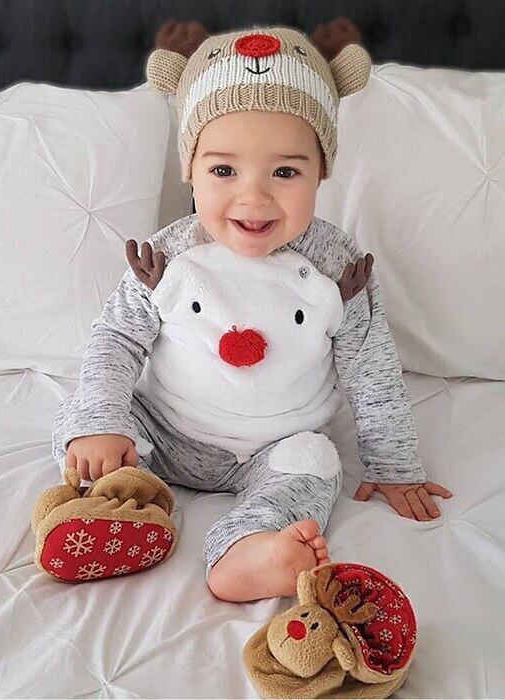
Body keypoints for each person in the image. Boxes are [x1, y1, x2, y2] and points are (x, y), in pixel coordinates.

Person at [51, 19, 452, 602]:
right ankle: (116, 506)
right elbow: (117, 338)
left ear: (321, 172)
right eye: (223, 171)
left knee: (316, 462)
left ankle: (250, 547)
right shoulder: (169, 254)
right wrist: (102, 422)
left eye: (285, 172)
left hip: (273, 445)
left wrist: (393, 465)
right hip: (162, 429)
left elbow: (370, 366)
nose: (254, 197)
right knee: (82, 422)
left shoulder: (338, 267)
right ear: (191, 170)